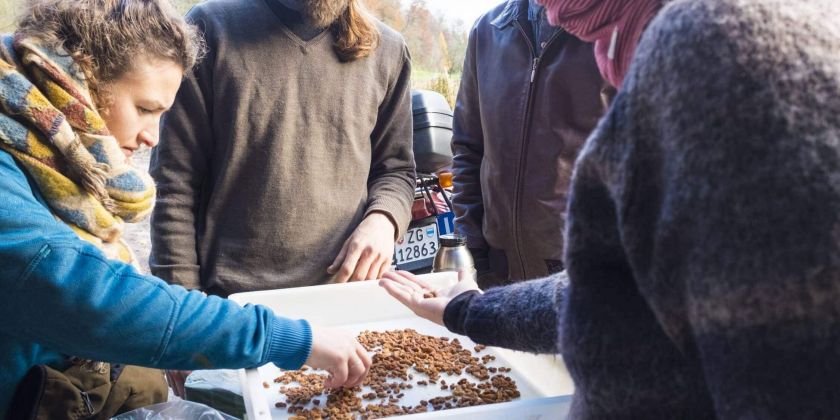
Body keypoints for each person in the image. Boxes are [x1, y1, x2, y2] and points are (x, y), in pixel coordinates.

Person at [381, 0, 840, 417]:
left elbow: (786, 373)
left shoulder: (709, 38)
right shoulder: (676, 37)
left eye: (595, 34)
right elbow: (620, 292)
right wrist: (469, 309)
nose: (603, 62)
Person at [0, 1, 370, 418]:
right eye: (144, 109)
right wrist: (285, 338)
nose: (152, 137)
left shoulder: (44, 141)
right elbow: (86, 292)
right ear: (81, 75)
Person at [149, 0, 415, 298]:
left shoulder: (388, 49)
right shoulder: (211, 28)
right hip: (232, 307)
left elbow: (396, 171)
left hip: (345, 300)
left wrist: (384, 220)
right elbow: (174, 182)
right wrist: (184, 302)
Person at [451, 0, 609, 288]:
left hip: (586, 281)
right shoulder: (486, 31)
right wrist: (473, 249)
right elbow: (467, 149)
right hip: (496, 277)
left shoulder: (618, 31)